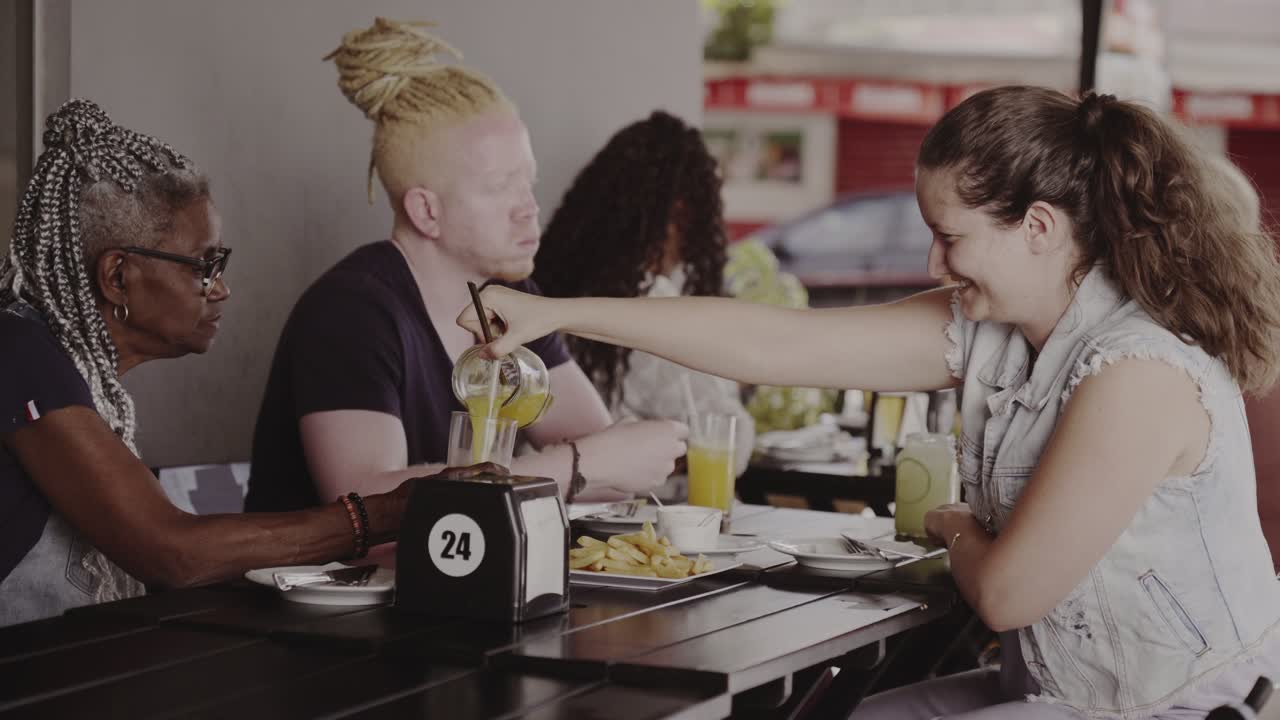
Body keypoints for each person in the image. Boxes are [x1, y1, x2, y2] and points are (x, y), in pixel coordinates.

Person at [461, 86, 1280, 718]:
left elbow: (1005, 593)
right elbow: (770, 342)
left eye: (951, 236)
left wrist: (952, 521)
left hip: (1180, 706)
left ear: (1038, 226)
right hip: (1067, 692)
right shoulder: (997, 331)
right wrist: (554, 313)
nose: (932, 262)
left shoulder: (1136, 371)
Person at [0, 99, 430, 627]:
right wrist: (384, 513)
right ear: (117, 278)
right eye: (205, 265)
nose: (221, 288)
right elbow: (171, 551)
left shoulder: (67, 368)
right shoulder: (20, 353)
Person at [245, 19, 686, 517]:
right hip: (306, 591)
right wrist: (576, 466)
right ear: (426, 211)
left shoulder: (511, 298)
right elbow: (363, 504)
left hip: (443, 586)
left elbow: (609, 475)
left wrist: (600, 461)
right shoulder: (351, 310)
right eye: (500, 187)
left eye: (529, 184)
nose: (529, 208)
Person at [533, 110, 754, 475]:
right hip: (657, 516)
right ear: (679, 217)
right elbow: (729, 440)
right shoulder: (653, 302)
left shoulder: (555, 290)